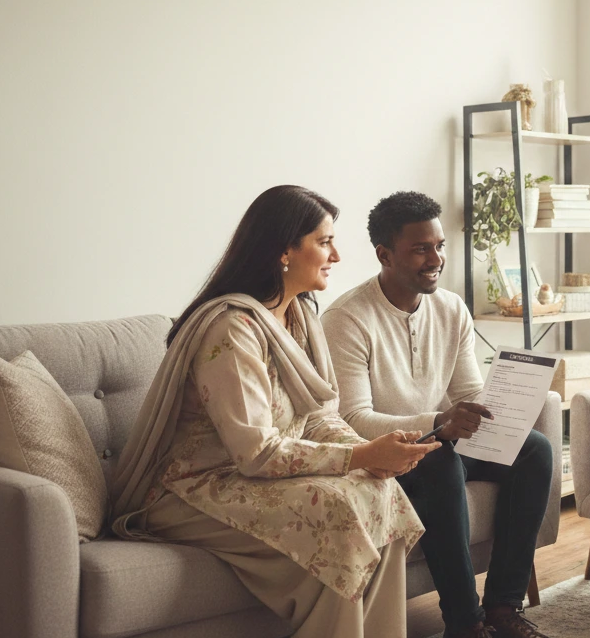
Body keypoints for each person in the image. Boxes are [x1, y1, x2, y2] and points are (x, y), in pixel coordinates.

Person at [109, 186, 440, 638]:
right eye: (325, 242)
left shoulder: (300, 315)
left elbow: (320, 416)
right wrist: (360, 458)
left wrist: (371, 452)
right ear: (285, 250)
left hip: (255, 478)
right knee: (339, 508)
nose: (337, 255)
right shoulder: (232, 330)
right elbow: (256, 452)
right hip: (195, 488)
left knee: (378, 491)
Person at [322, 191, 554, 638]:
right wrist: (437, 424)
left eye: (440, 246)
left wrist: (505, 403)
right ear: (384, 254)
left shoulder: (451, 308)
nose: (436, 259)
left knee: (535, 450)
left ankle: (503, 608)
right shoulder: (347, 319)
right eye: (420, 249)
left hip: (439, 438)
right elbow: (353, 418)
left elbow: (467, 391)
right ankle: (464, 624)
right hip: (384, 455)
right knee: (439, 458)